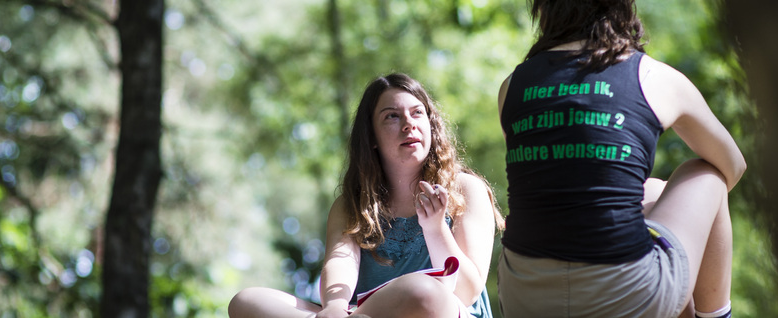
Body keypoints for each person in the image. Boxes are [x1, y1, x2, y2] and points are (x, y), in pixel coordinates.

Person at [495, 1, 746, 318]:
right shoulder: (652, 75)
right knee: (707, 173)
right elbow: (733, 166)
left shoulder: (511, 86)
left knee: (653, 192)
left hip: (523, 297)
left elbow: (557, 181)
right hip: (625, 293)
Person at [228, 73, 504, 318]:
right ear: (371, 136)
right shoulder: (351, 205)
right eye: (392, 116)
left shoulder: (466, 189)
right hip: (358, 313)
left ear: (431, 125)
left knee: (423, 291)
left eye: (418, 113)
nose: (409, 124)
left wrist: (434, 229)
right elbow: (340, 263)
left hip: (441, 309)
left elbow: (466, 292)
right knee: (247, 301)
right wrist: (335, 306)